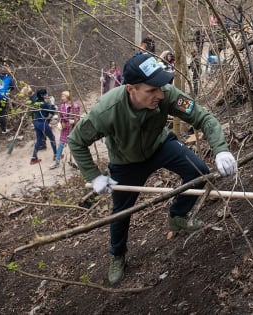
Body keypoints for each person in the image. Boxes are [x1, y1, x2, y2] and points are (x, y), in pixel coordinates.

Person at [67, 54, 237, 285]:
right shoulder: (107, 111)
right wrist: (94, 176)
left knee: (199, 171)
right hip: (125, 163)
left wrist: (221, 149)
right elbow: (76, 140)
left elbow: (203, 117)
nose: (160, 94)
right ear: (131, 89)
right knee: (121, 212)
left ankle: (178, 216)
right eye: (151, 90)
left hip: (160, 146)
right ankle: (117, 254)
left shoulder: (167, 94)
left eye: (161, 87)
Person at [50, 91, 80, 169]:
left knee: (73, 146)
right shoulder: (62, 106)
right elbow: (60, 116)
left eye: (63, 96)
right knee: (60, 144)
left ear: (67, 97)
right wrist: (59, 122)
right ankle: (57, 161)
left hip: (72, 129)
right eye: (62, 96)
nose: (62, 98)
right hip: (64, 128)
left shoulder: (75, 106)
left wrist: (74, 121)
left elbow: (77, 117)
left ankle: (78, 162)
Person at [30, 89, 57, 165]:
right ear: (42, 95)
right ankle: (56, 155)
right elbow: (52, 111)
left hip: (36, 122)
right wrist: (52, 103)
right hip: (43, 123)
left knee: (39, 140)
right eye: (46, 94)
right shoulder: (44, 104)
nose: (47, 95)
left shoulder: (35, 102)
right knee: (52, 138)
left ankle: (34, 158)